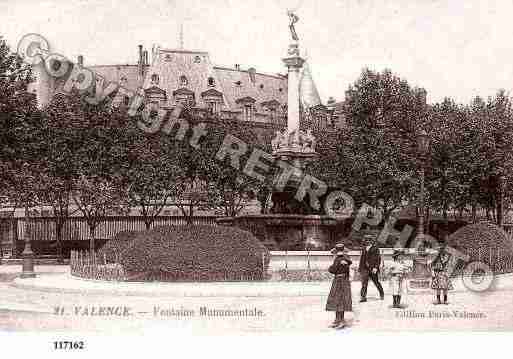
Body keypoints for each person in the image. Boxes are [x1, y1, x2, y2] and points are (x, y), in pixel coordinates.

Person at [326, 243, 352, 329]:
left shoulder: (339, 259)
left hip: (339, 280)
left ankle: (340, 320)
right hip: (342, 280)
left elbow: (333, 269)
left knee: (339, 299)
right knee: (340, 299)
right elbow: (348, 263)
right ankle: (338, 319)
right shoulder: (345, 258)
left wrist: (330, 268)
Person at [359, 235, 384, 302]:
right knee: (364, 283)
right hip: (364, 268)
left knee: (376, 282)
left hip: (372, 268)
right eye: (366, 240)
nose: (367, 242)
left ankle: (381, 293)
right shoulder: (364, 248)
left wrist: (376, 267)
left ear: (371, 241)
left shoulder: (375, 248)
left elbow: (378, 259)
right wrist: (360, 268)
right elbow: (362, 259)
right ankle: (363, 297)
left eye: (369, 240)